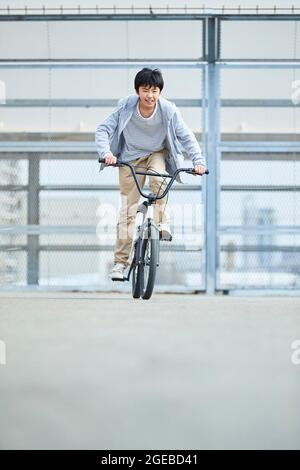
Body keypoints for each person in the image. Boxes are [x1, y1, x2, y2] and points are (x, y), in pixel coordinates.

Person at [95, 68, 206, 281]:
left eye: (154, 91)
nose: (150, 96)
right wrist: (107, 153)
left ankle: (163, 223)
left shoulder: (169, 111)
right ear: (137, 91)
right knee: (128, 210)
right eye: (145, 90)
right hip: (129, 158)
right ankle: (120, 264)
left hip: (156, 153)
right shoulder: (125, 107)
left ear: (160, 92)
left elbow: (186, 137)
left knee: (158, 178)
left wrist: (198, 162)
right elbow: (102, 130)